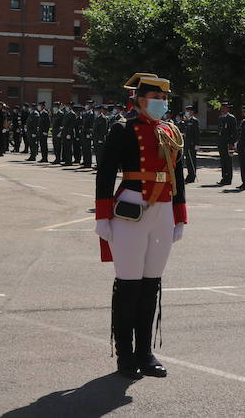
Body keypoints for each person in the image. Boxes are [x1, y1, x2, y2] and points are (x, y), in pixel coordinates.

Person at [94, 72, 186, 380]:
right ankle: (125, 356)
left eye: (164, 99)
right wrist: (102, 216)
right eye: (156, 98)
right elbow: (105, 173)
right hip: (131, 210)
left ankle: (145, 353)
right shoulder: (122, 129)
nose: (161, 103)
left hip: (162, 212)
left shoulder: (171, 131)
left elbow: (178, 176)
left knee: (151, 286)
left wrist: (180, 215)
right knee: (129, 285)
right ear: (140, 100)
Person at [215, 101, 237, 186]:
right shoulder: (220, 118)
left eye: (224, 107)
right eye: (222, 107)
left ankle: (228, 179)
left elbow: (234, 132)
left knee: (228, 161)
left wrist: (232, 143)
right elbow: (219, 131)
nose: (223, 109)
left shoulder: (231, 118)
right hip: (221, 143)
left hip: (228, 143)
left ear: (228, 109)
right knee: (223, 161)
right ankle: (224, 177)